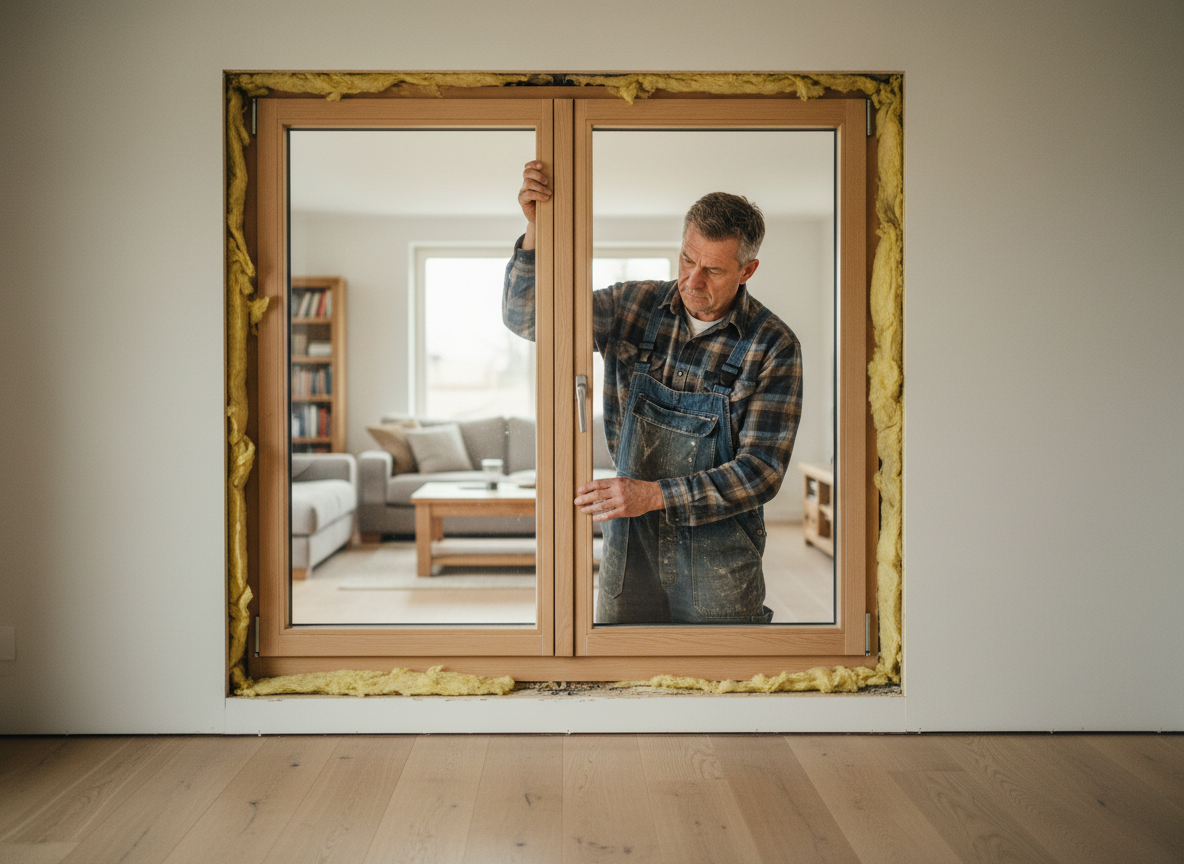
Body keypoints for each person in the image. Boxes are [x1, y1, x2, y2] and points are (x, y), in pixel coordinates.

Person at [504, 161, 802, 624]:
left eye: (713, 270)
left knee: (721, 687)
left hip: (719, 555)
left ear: (748, 270)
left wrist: (654, 495)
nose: (692, 281)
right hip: (631, 547)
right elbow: (527, 316)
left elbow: (760, 472)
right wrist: (535, 230)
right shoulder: (632, 306)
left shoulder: (773, 345)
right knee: (622, 679)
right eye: (687, 259)